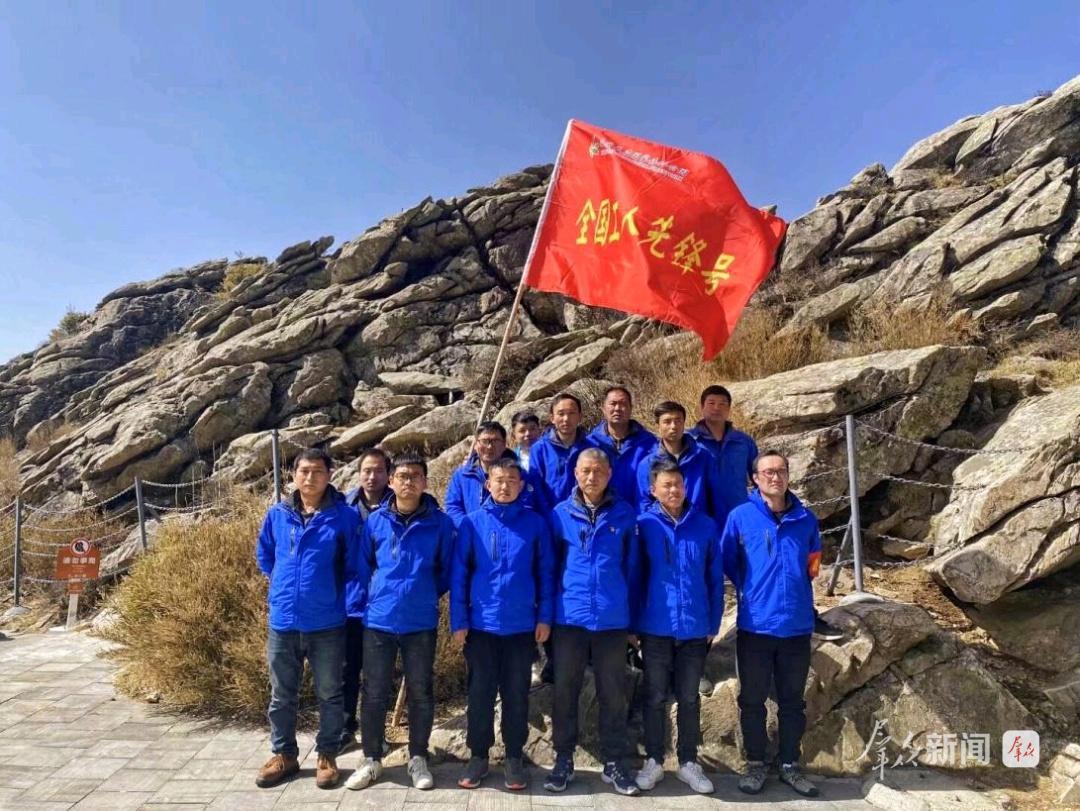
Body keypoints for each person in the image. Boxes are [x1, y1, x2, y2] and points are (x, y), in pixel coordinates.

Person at [345, 453, 456, 793]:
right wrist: (379, 594)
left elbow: (446, 571)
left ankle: (418, 757)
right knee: (374, 691)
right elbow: (362, 566)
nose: (408, 482)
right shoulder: (375, 522)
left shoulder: (440, 523)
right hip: (379, 619)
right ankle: (371, 759)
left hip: (420, 621)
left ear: (425, 482)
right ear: (391, 481)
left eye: (415, 476)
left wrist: (423, 593)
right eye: (402, 476)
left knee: (421, 691)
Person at [255, 448, 360, 791]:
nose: (310, 477)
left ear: (329, 476)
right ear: (293, 475)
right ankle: (284, 755)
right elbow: (265, 554)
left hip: (326, 622)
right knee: (281, 694)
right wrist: (281, 585)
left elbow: (354, 565)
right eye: (303, 471)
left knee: (329, 693)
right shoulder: (278, 514)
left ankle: (327, 754)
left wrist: (329, 594)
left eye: (317, 471)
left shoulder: (344, 517)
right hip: (283, 621)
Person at [720, 451, 822, 798]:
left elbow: (813, 564)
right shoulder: (740, 517)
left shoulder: (806, 518)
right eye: (767, 472)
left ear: (789, 475)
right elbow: (729, 560)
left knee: (793, 702)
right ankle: (755, 763)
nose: (775, 477)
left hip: (796, 626)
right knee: (752, 700)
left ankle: (790, 763)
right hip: (756, 626)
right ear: (755, 479)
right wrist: (751, 589)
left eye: (781, 471)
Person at [450, 457, 556, 790]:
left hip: (521, 626)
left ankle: (513, 757)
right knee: (479, 694)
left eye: (512, 480)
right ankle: (478, 756)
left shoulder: (535, 524)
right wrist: (459, 620)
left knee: (516, 695)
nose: (505, 486)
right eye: (499, 480)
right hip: (480, 626)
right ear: (488, 484)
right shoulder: (472, 523)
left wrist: (544, 616)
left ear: (522, 485)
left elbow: (546, 573)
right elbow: (459, 574)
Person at [544, 449, 641, 797]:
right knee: (565, 691)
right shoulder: (559, 514)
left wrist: (632, 621)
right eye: (585, 470)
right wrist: (547, 615)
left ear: (609, 474)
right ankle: (563, 759)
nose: (591, 477)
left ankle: (614, 762)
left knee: (613, 693)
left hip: (612, 619)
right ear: (575, 473)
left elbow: (633, 570)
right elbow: (550, 568)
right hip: (569, 618)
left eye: (598, 471)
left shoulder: (625, 515)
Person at [633, 460, 724, 794]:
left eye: (678, 484)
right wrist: (634, 623)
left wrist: (713, 621)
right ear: (653, 489)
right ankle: (654, 760)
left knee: (688, 697)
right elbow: (635, 577)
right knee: (655, 696)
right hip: (655, 626)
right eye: (666, 485)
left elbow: (714, 578)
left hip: (694, 626)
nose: (673, 490)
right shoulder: (644, 525)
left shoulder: (705, 525)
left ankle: (688, 762)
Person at [340, 447, 393, 752]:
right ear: (358, 473)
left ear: (388, 473)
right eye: (367, 471)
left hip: (385, 605)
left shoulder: (399, 505)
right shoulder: (344, 507)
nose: (372, 477)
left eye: (379, 471)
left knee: (378, 676)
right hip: (350, 603)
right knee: (346, 670)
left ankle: (376, 733)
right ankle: (345, 728)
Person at [445, 421, 546, 524]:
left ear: (504, 444)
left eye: (495, 441)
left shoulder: (518, 475)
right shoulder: (463, 475)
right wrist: (469, 527)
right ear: (475, 445)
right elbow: (453, 507)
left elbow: (528, 506)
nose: (489, 446)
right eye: (484, 441)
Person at [636, 401, 724, 519]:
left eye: (678, 421)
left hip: (698, 524)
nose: (673, 426)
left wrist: (714, 526)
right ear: (658, 426)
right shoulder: (647, 464)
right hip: (663, 527)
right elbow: (644, 502)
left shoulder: (703, 457)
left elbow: (717, 498)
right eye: (667, 422)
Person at [588, 386, 657, 505]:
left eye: (623, 404)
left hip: (641, 511)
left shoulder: (649, 443)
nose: (617, 408)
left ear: (631, 408)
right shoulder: (590, 444)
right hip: (605, 512)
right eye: (613, 404)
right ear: (603, 409)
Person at [530, 392, 595, 506]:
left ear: (580, 417)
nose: (566, 419)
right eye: (561, 414)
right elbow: (536, 487)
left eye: (571, 413)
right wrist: (549, 513)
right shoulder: (540, 449)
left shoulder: (591, 448)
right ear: (552, 418)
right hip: (550, 513)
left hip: (583, 512)